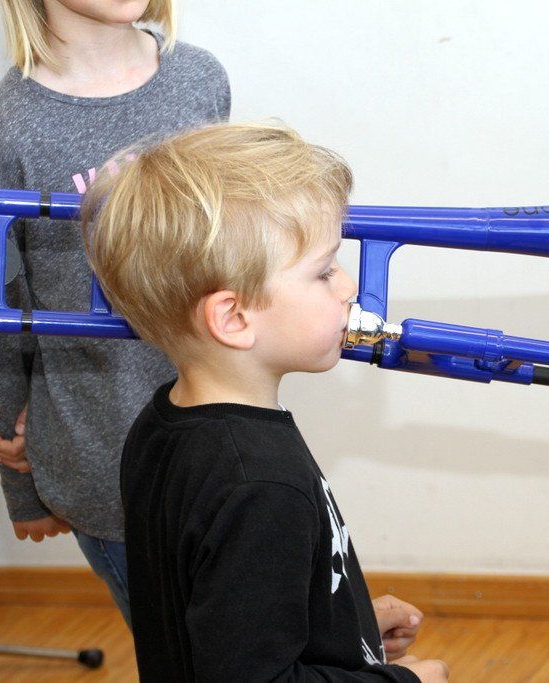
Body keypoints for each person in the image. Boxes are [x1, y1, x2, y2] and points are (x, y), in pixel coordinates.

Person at [84, 122, 450, 681]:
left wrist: (343, 625)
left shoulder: (162, 425)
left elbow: (218, 623)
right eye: (323, 272)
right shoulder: (259, 485)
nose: (349, 286)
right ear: (233, 318)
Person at [0, 0, 230, 626]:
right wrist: (21, 486)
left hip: (223, 440)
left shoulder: (200, 79)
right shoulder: (6, 134)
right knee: (186, 656)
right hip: (111, 466)